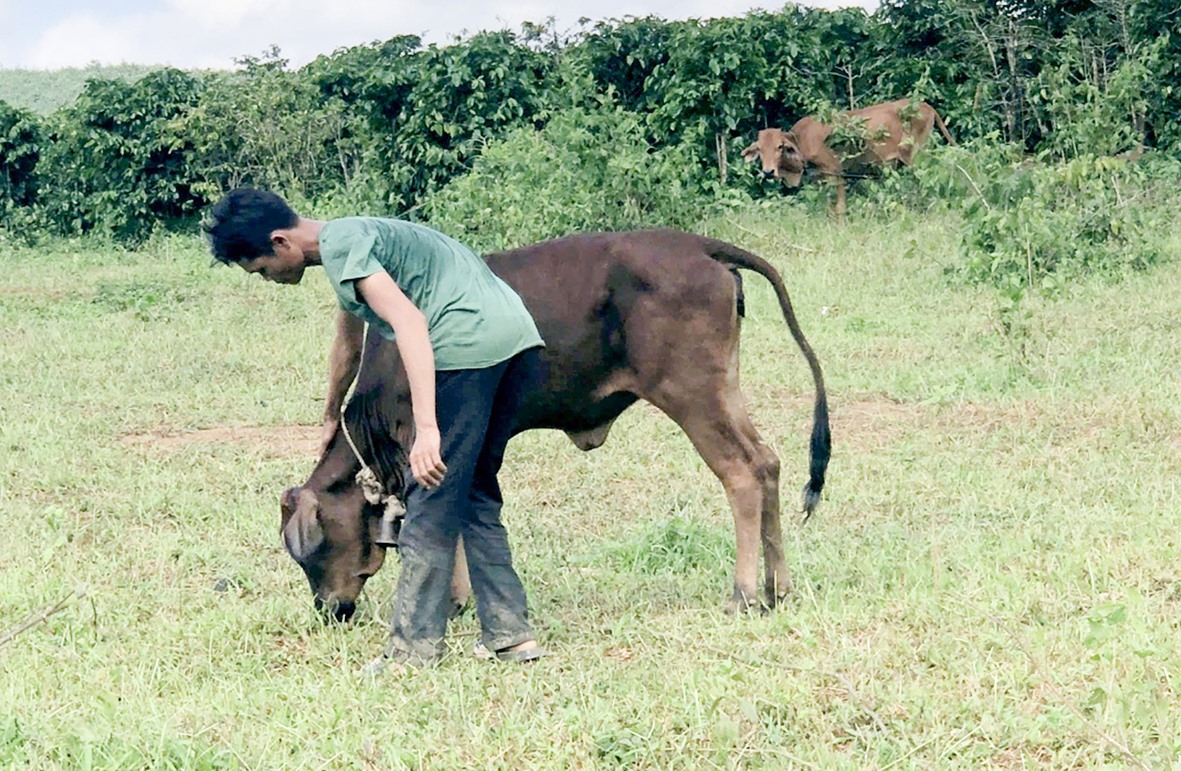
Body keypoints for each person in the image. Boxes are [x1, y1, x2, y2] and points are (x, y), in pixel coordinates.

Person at [204, 187, 545, 670]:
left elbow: (408, 322)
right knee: (475, 494)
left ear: (281, 242)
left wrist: (427, 428)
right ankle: (511, 637)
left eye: (260, 270)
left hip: (467, 346)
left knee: (428, 498)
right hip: (515, 340)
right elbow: (350, 346)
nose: (267, 280)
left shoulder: (344, 248)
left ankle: (412, 651)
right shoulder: (351, 238)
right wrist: (330, 415)